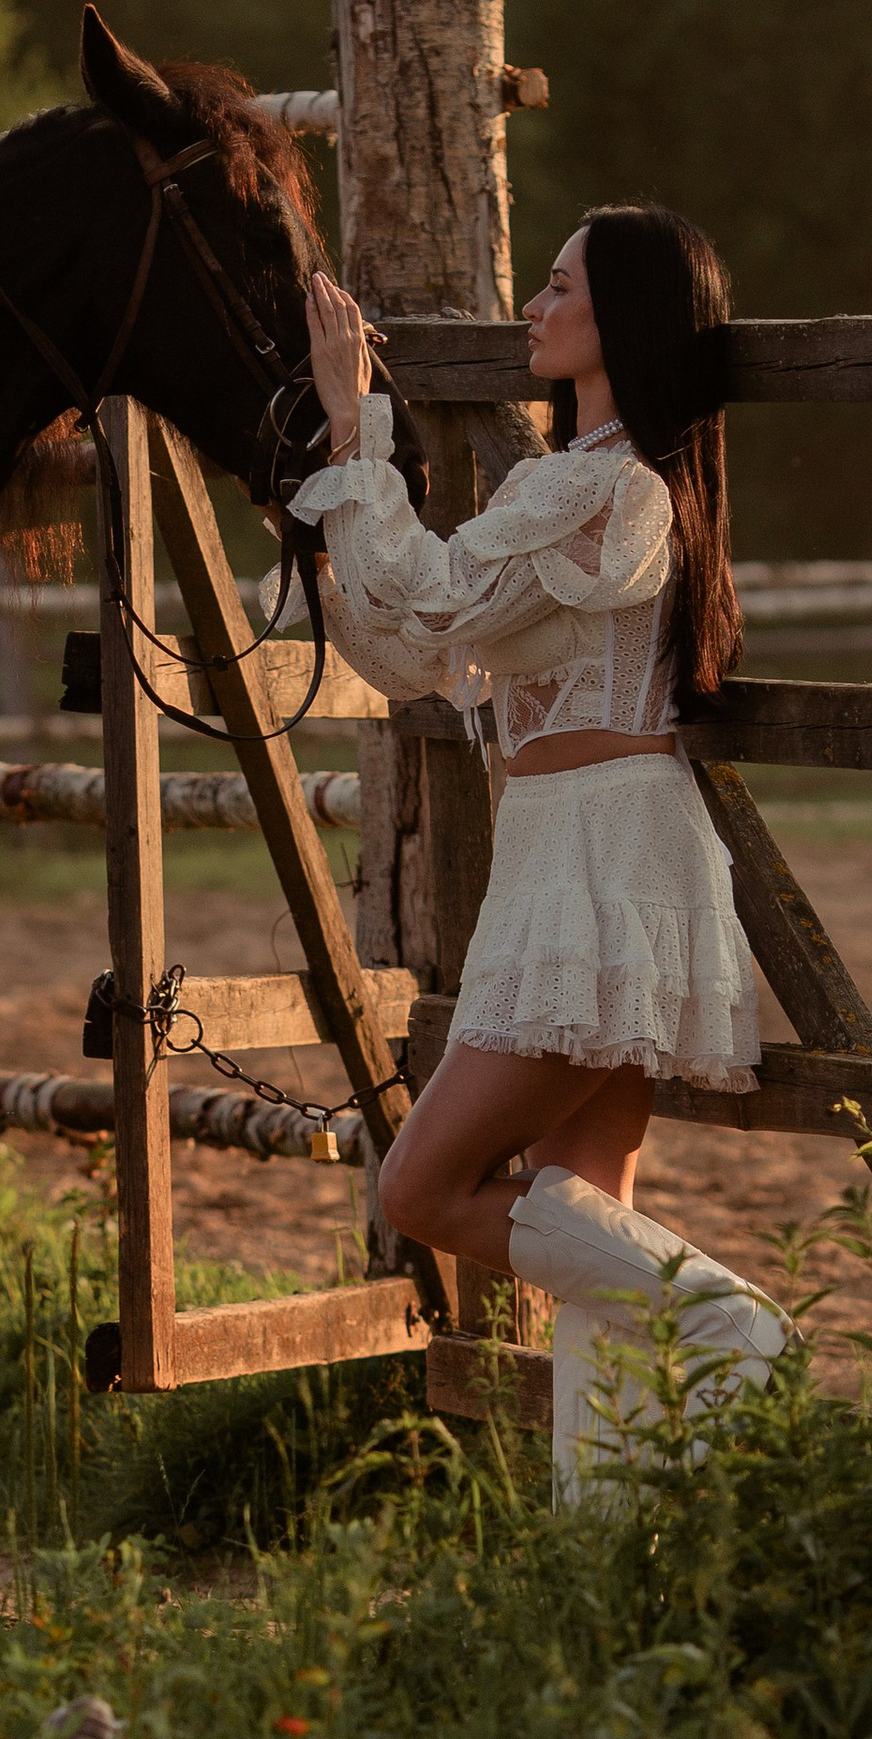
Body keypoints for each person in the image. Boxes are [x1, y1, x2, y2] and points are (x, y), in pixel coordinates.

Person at [286, 207, 788, 1490]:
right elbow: (415, 649)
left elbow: (441, 593)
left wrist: (358, 428)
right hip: (560, 843)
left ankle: (730, 1319)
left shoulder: (611, 489)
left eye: (555, 286)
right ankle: (612, 1534)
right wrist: (342, 511)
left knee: (421, 1187)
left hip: (609, 852)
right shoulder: (567, 485)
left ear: (617, 318)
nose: (533, 308)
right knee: (586, 1219)